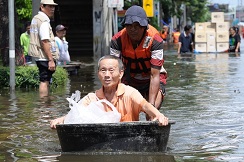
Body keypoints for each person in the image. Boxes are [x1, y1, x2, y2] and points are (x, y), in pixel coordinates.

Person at [50, 55, 169, 129]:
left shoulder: (129, 93)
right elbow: (76, 113)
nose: (107, 75)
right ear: (98, 74)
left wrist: (158, 115)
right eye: (103, 70)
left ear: (121, 74)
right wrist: (62, 119)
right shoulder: (93, 98)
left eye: (111, 70)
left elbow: (145, 105)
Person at [109, 5, 167, 114]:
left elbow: (154, 75)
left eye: (137, 26)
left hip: (152, 79)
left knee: (152, 113)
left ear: (144, 27)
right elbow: (114, 72)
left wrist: (151, 106)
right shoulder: (117, 41)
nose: (132, 29)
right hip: (129, 79)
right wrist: (114, 99)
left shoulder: (155, 40)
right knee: (123, 112)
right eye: (129, 26)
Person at [28, 0, 59, 97]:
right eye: (50, 6)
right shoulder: (43, 21)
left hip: (41, 56)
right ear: (42, 7)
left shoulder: (36, 18)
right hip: (45, 57)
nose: (52, 9)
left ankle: (45, 104)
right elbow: (45, 41)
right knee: (44, 80)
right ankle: (44, 105)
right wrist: (51, 60)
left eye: (53, 7)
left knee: (45, 80)